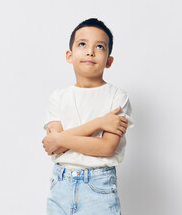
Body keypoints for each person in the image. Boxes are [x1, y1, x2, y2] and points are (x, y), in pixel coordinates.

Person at [42, 18, 134, 215]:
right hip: (61, 185)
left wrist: (60, 139)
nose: (90, 51)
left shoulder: (117, 97)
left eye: (99, 46)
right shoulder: (58, 97)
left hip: (98, 186)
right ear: (69, 55)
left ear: (109, 61)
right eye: (82, 44)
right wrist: (99, 123)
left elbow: (107, 147)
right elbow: (53, 146)